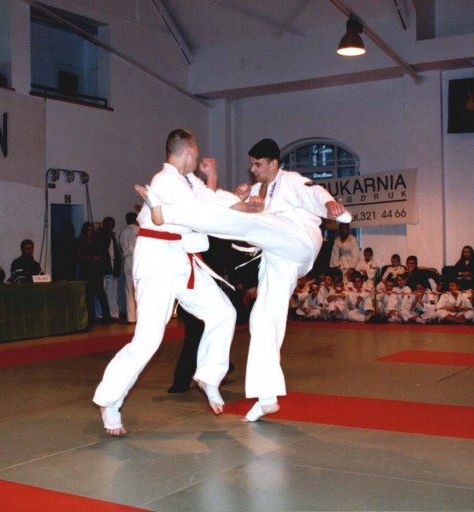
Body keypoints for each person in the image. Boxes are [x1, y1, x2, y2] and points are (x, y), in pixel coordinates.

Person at [139, 137, 348, 422]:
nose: (253, 169)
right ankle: (267, 397)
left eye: (258, 164)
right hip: (278, 257)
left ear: (274, 163)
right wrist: (243, 201)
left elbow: (313, 191)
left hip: (299, 238)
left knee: (248, 223)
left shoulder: (290, 180)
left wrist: (330, 203)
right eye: (251, 164)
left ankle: (167, 212)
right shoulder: (259, 191)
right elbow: (242, 216)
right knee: (263, 319)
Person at [93, 129, 238, 435]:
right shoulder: (164, 181)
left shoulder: (188, 180)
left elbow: (210, 201)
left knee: (224, 312)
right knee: (148, 339)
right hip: (157, 259)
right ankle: (110, 402)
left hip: (181, 258)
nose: (197, 160)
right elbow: (203, 213)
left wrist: (226, 190)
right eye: (196, 154)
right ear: (189, 152)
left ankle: (209, 376)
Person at [77, 222, 111, 326]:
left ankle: (107, 317)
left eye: (91, 230)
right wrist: (85, 258)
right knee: (88, 295)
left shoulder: (96, 241)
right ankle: (90, 318)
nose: (90, 232)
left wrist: (92, 258)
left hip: (96, 270)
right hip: (85, 270)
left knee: (100, 293)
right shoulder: (80, 241)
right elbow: (78, 255)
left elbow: (99, 254)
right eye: (88, 230)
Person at [96, 217, 122, 322]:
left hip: (112, 266)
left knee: (112, 292)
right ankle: (100, 314)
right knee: (101, 292)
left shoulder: (112, 237)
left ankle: (113, 313)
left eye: (112, 225)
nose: (111, 227)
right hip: (102, 266)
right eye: (109, 225)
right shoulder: (100, 235)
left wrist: (117, 267)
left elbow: (116, 253)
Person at [118, 212, 139, 323]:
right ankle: (141, 316)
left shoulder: (122, 232)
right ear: (136, 219)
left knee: (129, 290)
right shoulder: (139, 230)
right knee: (140, 289)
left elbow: (121, 248)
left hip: (127, 260)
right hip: (137, 260)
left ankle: (131, 318)